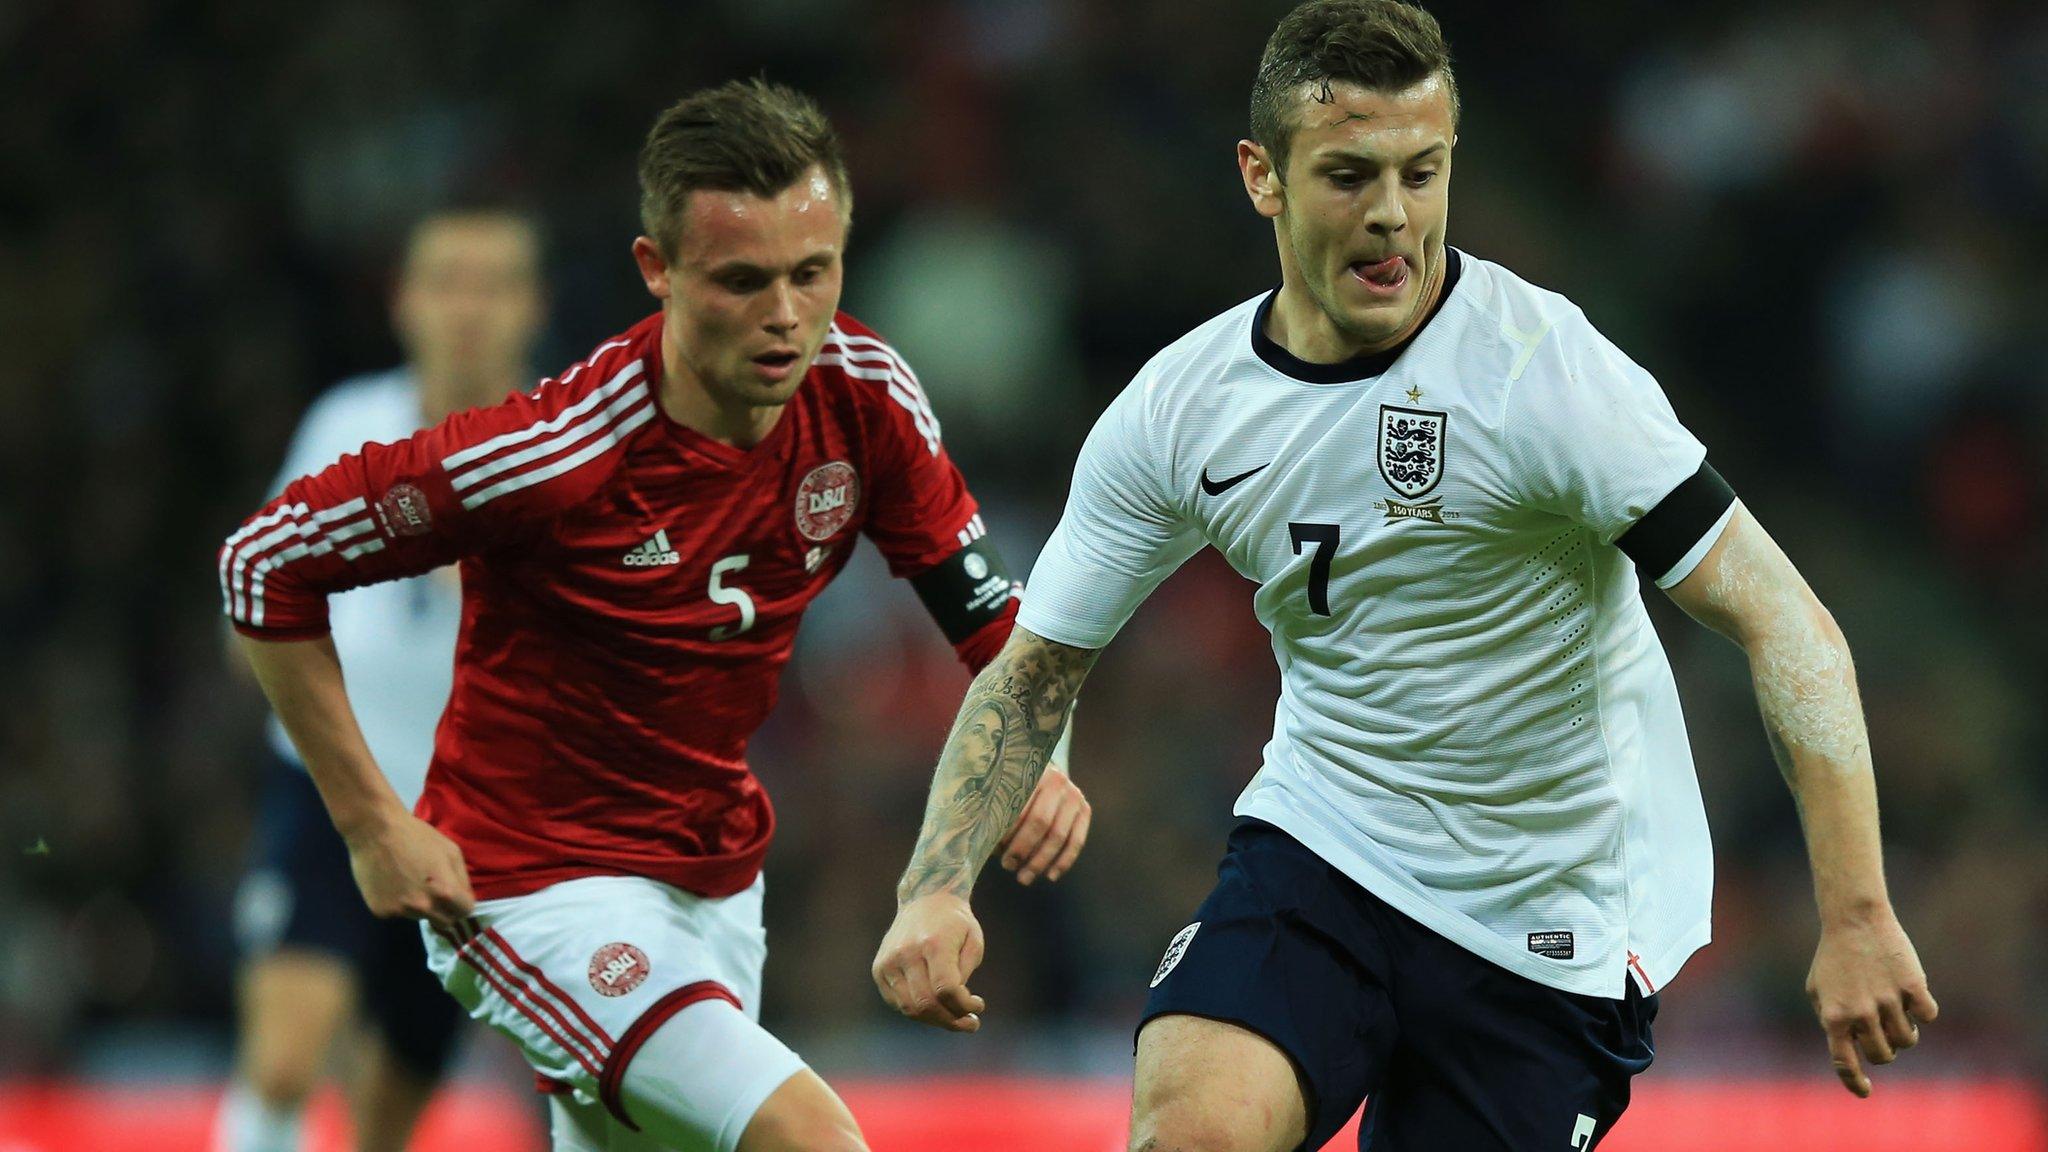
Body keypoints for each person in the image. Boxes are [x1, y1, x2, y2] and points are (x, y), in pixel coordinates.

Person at [871, 3, 1938, 1150]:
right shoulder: (1180, 409)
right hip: (1327, 846)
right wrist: (933, 886)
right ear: (1260, 177)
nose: (1390, 215)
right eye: (1346, 174)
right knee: (1192, 1129)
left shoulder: (1544, 375)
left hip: (1548, 914)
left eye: (1419, 173)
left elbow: (1788, 625)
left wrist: (1859, 913)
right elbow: (1037, 671)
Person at [216, 79, 1088, 1152]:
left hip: (713, 887)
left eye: (812, 274)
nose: (784, 317)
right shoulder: (551, 455)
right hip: (531, 888)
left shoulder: (862, 395)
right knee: (813, 1140)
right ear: (656, 271)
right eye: (741, 280)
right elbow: (263, 565)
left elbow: (1007, 644)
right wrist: (367, 823)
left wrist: (982, 828)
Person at [213, 207, 547, 1152]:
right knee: (284, 1054)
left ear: (533, 307)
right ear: (405, 301)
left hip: (472, 818)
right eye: (448, 281)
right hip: (332, 789)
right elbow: (257, 583)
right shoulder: (348, 425)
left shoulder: (559, 452)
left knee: (389, 1115)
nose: (468, 308)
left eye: (494, 284)